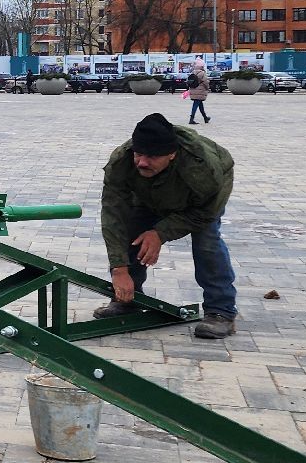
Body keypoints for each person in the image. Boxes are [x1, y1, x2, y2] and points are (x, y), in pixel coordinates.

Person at [92, 112, 238, 339]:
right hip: (149, 194)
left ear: (171, 154)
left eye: (151, 157)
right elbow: (113, 215)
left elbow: (203, 214)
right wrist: (118, 268)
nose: (142, 162)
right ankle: (128, 300)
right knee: (133, 233)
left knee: (207, 243)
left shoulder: (203, 170)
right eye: (138, 154)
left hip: (200, 201)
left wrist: (160, 233)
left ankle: (221, 311)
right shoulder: (122, 162)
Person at [184, 59, 211, 124]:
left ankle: (205, 118)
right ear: (202, 66)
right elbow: (205, 82)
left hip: (193, 89)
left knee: (200, 104)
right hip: (200, 91)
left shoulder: (193, 72)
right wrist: (208, 88)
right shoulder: (202, 73)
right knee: (196, 104)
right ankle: (191, 119)